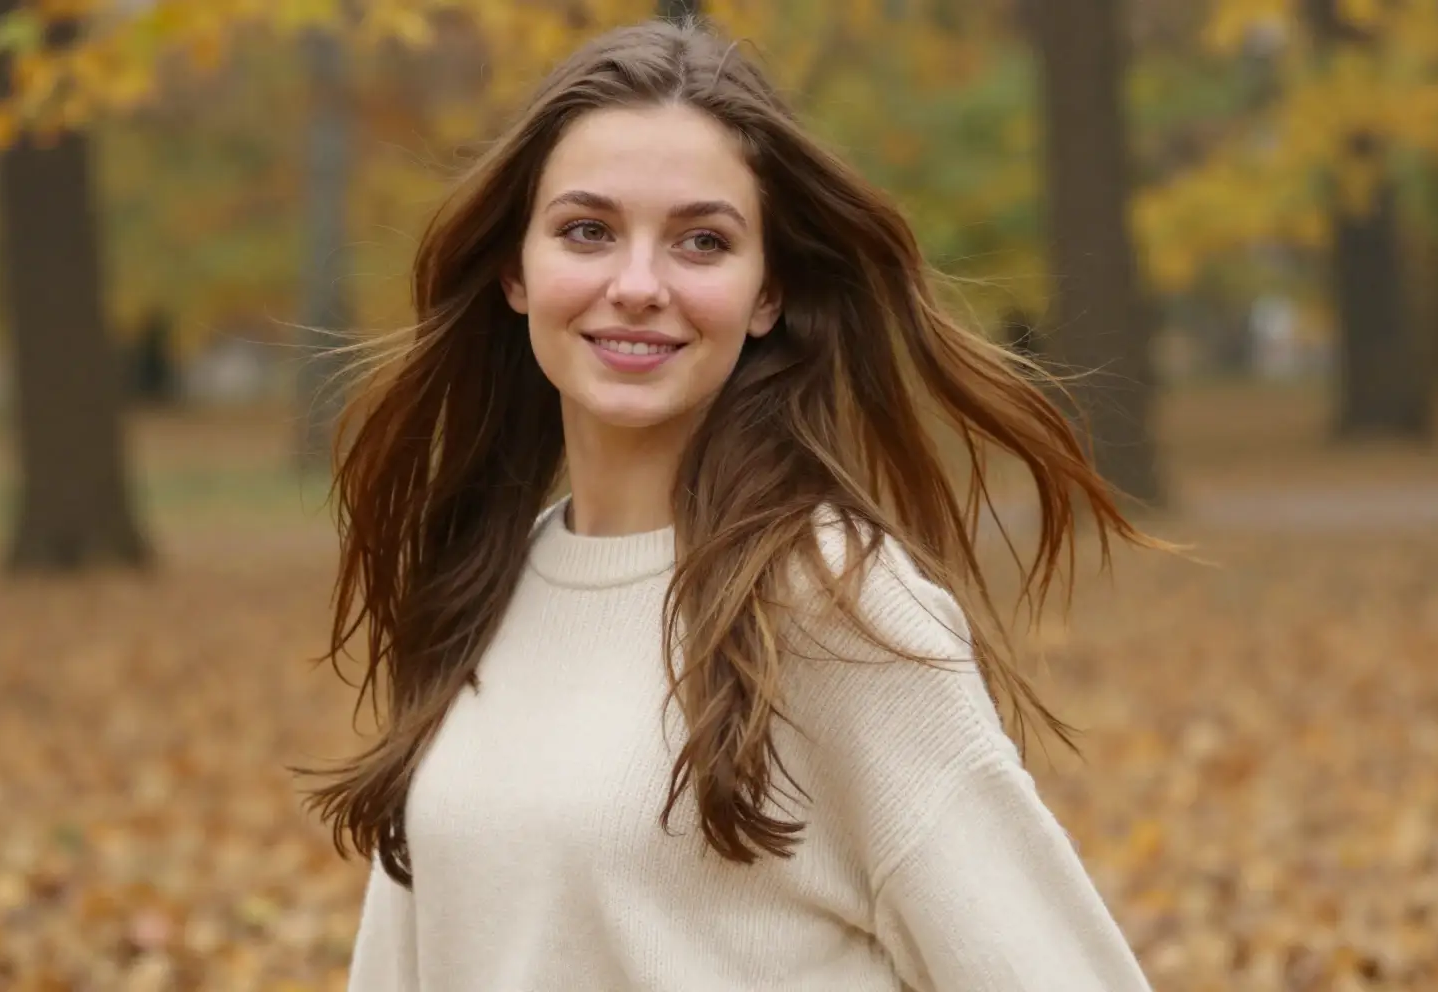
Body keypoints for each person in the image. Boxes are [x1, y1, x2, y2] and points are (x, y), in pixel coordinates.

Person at [300, 17, 1166, 992]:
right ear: (516, 269)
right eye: (588, 229)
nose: (637, 285)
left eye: (701, 241)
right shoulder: (479, 586)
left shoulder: (832, 603)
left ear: (766, 293)